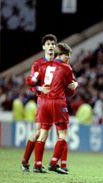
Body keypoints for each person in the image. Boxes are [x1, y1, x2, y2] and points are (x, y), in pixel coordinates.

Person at [27, 43, 78, 174]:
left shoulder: (43, 66)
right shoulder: (66, 68)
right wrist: (75, 85)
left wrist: (38, 88)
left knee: (43, 133)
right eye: (67, 55)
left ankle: (37, 165)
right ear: (60, 55)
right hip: (57, 102)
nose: (69, 58)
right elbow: (70, 89)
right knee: (63, 135)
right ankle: (54, 163)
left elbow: (31, 81)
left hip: (44, 102)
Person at [21, 34, 58, 172]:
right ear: (44, 47)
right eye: (48, 44)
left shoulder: (59, 64)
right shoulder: (38, 64)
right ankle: (32, 163)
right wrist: (39, 88)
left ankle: (30, 162)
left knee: (41, 132)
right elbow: (31, 83)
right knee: (39, 132)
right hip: (43, 101)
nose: (51, 46)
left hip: (53, 102)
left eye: (53, 44)